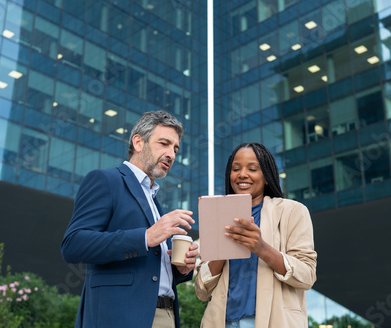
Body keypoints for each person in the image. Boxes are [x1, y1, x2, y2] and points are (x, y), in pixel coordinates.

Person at [61, 110, 199, 328]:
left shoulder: (154, 200)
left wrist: (180, 270)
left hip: (167, 315)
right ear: (138, 142)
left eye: (175, 149)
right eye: (164, 143)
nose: (171, 154)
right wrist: (146, 237)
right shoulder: (106, 180)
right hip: (120, 317)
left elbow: (149, 269)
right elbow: (73, 245)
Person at [195, 142, 317, 328]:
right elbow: (202, 291)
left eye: (252, 169)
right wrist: (222, 248)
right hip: (222, 322)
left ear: (266, 177)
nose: (242, 174)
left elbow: (307, 276)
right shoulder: (217, 215)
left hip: (274, 321)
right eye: (236, 169)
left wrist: (261, 248)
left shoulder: (293, 211)